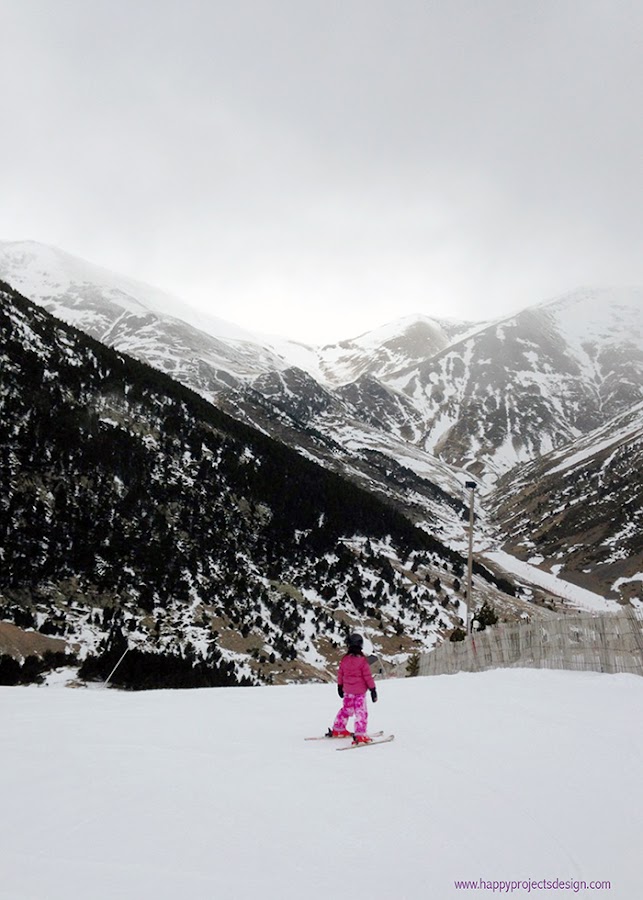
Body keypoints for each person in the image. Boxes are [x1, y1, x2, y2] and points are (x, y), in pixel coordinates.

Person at [329, 632, 378, 744]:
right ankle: (360, 735)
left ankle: (338, 728)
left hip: (347, 691)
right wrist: (373, 690)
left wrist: (340, 686)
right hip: (360, 693)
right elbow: (367, 677)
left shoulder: (345, 659)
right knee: (361, 712)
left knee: (346, 710)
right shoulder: (362, 661)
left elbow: (340, 673)